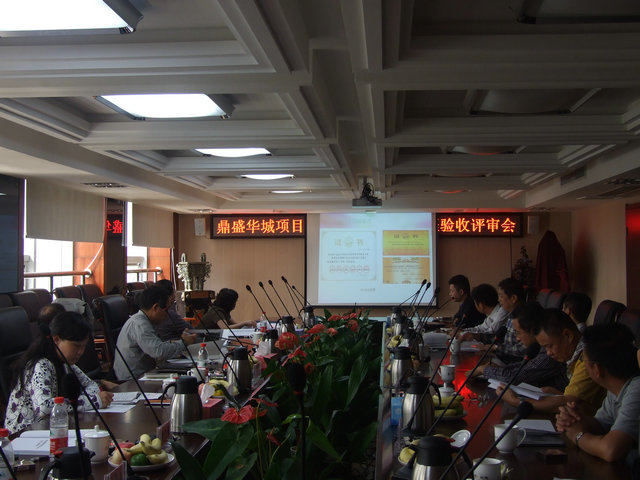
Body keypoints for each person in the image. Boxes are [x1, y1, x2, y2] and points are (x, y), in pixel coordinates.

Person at [4, 311, 113, 433]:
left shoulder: (65, 363)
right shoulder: (41, 364)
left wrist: (87, 399)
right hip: (24, 435)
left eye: (84, 346)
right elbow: (44, 408)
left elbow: (91, 385)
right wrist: (93, 401)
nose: (81, 352)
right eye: (76, 346)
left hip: (50, 428)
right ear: (56, 339)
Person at [555, 323, 640, 463]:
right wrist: (576, 419)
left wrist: (578, 435)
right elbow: (601, 425)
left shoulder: (636, 389)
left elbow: (611, 450)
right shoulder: (616, 389)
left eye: (584, 360)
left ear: (597, 369)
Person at [499, 308, 606, 415]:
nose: (548, 353)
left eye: (549, 346)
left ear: (568, 335)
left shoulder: (587, 359)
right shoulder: (575, 355)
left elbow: (568, 403)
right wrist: (559, 395)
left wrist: (517, 401)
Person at [470, 302, 567, 391]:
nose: (517, 339)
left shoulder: (550, 353)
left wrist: (482, 369)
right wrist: (498, 369)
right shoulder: (540, 348)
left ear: (533, 330)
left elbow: (513, 377)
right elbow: (523, 366)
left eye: (518, 333)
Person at [114, 286, 197, 381]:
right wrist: (184, 342)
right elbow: (158, 352)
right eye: (166, 310)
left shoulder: (143, 320)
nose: (167, 315)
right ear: (156, 307)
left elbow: (155, 347)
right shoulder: (140, 324)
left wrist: (173, 343)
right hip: (134, 380)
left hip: (146, 374)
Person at [493, 277, 527, 363]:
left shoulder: (524, 317)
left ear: (513, 298)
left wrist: (497, 348)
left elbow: (522, 349)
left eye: (501, 296)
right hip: (503, 357)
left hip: (514, 362)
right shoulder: (510, 314)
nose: (498, 300)